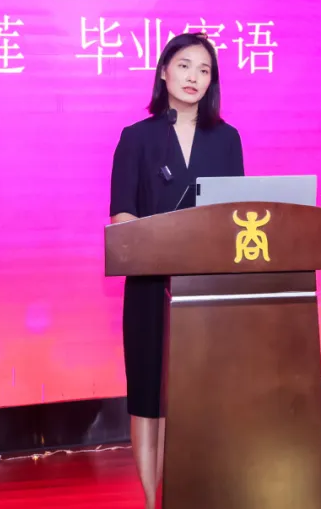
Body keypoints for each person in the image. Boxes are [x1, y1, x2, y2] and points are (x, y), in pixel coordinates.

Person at [108, 33, 245, 509]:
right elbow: (122, 217)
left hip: (207, 291)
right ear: (164, 71)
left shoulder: (227, 139)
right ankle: (153, 501)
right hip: (151, 289)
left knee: (201, 398)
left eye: (204, 70)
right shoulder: (136, 138)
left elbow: (236, 216)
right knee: (150, 399)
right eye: (185, 65)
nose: (194, 77)